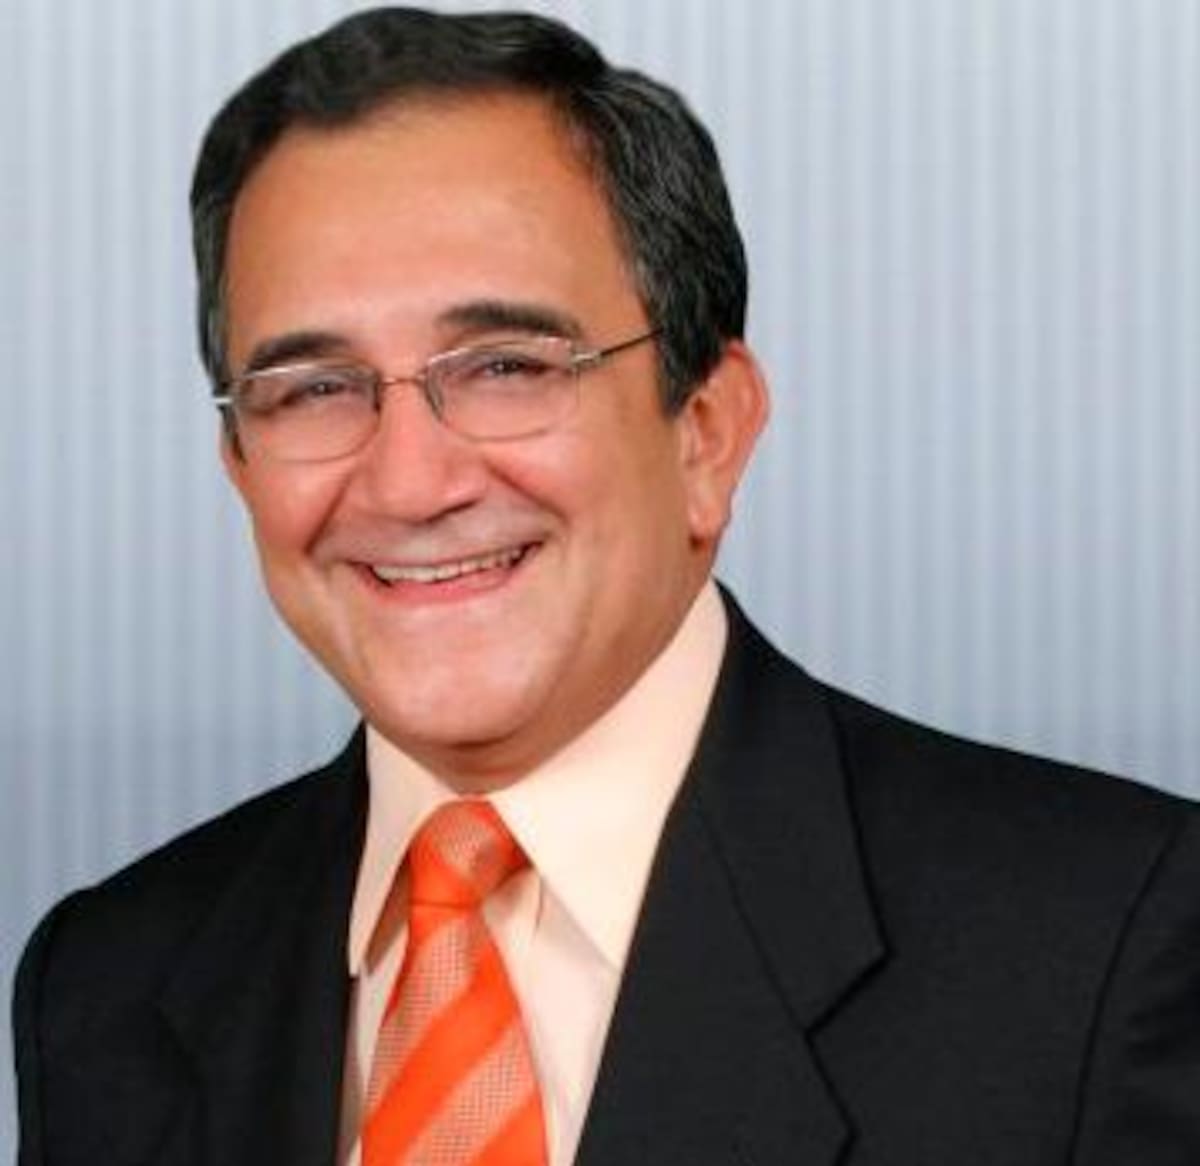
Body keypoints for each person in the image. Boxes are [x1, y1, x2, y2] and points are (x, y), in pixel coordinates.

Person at [12, 7, 1200, 1164]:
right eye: (314, 388)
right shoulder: (108, 983)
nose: (410, 481)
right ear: (238, 463)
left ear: (706, 432)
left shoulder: (1109, 942)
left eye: (507, 367)